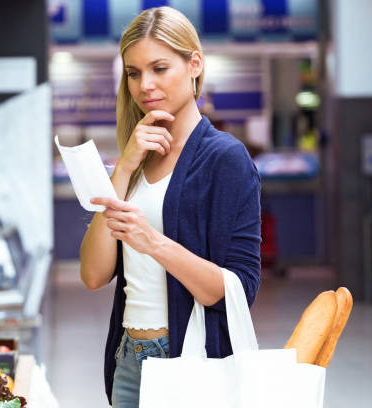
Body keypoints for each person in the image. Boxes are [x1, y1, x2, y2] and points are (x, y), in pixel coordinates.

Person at [79, 7, 261, 407]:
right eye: (133, 73)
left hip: (187, 361)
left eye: (160, 68)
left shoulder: (225, 158)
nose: (146, 85)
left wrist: (152, 242)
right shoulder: (137, 159)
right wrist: (124, 166)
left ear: (194, 64)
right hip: (128, 358)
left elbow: (238, 291)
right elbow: (93, 275)